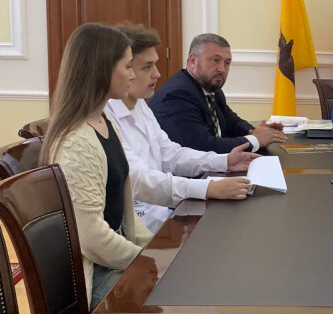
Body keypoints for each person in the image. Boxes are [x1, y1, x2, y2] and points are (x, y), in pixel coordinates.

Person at [41, 23, 153, 310]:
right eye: (127, 66)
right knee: (174, 297)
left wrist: (155, 250)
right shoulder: (78, 141)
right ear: (102, 69)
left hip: (111, 259)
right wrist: (147, 261)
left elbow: (124, 212)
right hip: (94, 273)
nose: (132, 74)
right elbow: (91, 238)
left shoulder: (105, 121)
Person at [104, 24, 256, 233]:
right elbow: (138, 179)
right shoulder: (105, 116)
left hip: (162, 218)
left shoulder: (140, 105)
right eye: (147, 67)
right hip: (136, 232)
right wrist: (208, 188)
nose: (157, 74)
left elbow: (170, 154)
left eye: (155, 65)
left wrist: (224, 161)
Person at [149, 33, 287, 154]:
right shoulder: (178, 95)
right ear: (193, 61)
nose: (222, 69)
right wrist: (255, 140)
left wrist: (256, 131)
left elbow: (232, 122)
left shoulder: (212, 89)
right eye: (215, 60)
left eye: (227, 63)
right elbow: (202, 147)